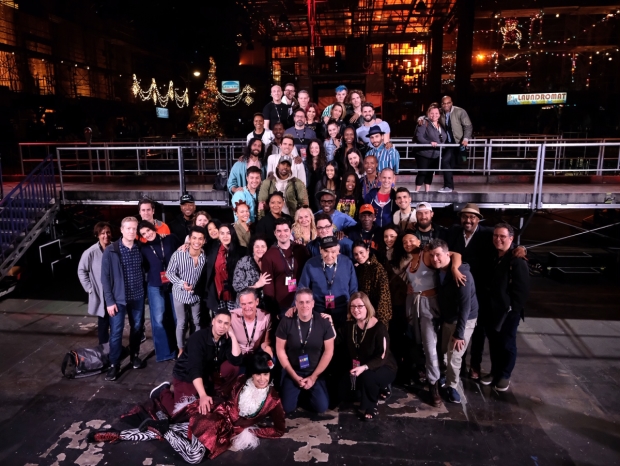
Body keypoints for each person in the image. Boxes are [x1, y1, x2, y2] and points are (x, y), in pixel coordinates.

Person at [91, 351, 283, 463]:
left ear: (270, 375)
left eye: (265, 375)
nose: (261, 379)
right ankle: (164, 430)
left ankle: (117, 435)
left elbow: (278, 430)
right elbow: (223, 394)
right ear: (252, 374)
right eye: (258, 374)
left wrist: (251, 431)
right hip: (212, 419)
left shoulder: (274, 400)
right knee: (193, 457)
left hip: (225, 431)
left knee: (172, 431)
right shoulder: (241, 381)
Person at [481, 223, 530, 392]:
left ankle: (505, 375)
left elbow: (522, 290)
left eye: (502, 236)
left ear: (511, 238)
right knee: (494, 343)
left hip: (508, 313)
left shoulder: (517, 261)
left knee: (507, 343)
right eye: (496, 236)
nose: (498, 239)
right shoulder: (493, 255)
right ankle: (495, 371)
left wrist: (513, 310)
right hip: (491, 309)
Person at [428, 239, 478, 403]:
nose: (435, 259)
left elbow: (465, 306)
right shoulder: (439, 270)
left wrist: (460, 333)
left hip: (464, 319)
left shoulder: (462, 274)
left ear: (447, 254)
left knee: (454, 355)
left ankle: (452, 386)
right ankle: (444, 377)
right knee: (443, 351)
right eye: (432, 255)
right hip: (448, 318)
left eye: (438, 255)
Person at [275, 288, 335, 413]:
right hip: (293, 371)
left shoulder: (323, 322)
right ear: (295, 304)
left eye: (308, 302)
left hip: (315, 371)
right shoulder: (286, 321)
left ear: (313, 303)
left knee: (321, 407)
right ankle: (299, 390)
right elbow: (280, 351)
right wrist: (294, 375)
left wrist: (313, 377)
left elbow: (328, 352)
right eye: (301, 302)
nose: (304, 305)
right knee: (287, 408)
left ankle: (306, 392)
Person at [101, 217, 146, 381]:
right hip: (118, 299)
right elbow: (105, 278)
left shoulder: (139, 248)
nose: (132, 231)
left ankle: (134, 356)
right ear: (121, 230)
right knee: (116, 333)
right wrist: (110, 301)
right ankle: (114, 364)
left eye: (134, 229)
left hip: (137, 296)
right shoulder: (111, 250)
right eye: (128, 228)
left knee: (137, 329)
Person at [342, 292, 397, 420]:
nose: (356, 310)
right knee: (344, 392)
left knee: (368, 377)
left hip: (383, 366)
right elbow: (338, 339)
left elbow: (382, 357)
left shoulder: (379, 328)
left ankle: (371, 404)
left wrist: (364, 367)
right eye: (353, 306)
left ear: (367, 307)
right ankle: (373, 389)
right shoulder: (351, 325)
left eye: (360, 306)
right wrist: (330, 324)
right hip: (360, 365)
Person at [139, 221, 179, 362]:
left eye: (148, 231)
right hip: (155, 285)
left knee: (177, 318)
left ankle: (178, 350)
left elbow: (182, 250)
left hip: (174, 282)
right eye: (143, 234)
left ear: (154, 228)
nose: (147, 235)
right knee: (159, 319)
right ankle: (164, 353)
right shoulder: (143, 248)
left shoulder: (170, 239)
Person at [299, 236, 358, 327]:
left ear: (338, 251)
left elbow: (353, 289)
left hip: (343, 310)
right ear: (320, 250)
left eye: (333, 252)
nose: (329, 256)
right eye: (326, 251)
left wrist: (353, 309)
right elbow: (302, 288)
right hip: (318, 311)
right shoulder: (310, 264)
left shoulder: (347, 263)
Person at [166, 226, 207, 355]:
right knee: (182, 322)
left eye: (200, 239)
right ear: (189, 239)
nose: (197, 241)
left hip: (196, 295)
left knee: (197, 321)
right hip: (179, 293)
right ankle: (181, 348)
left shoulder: (204, 256)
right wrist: (181, 283)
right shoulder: (179, 254)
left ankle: (196, 345)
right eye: (194, 238)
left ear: (204, 241)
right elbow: (169, 273)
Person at [261, 217, 310, 318]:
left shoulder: (301, 250)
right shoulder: (269, 256)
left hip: (303, 303)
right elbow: (268, 285)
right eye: (279, 231)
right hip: (281, 307)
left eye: (286, 230)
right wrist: (273, 311)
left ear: (291, 231)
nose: (282, 234)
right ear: (274, 233)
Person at [78, 221, 112, 345]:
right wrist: (89, 288)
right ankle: (103, 349)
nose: (106, 235)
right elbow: (81, 271)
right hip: (101, 295)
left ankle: (114, 349)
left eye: (108, 232)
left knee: (116, 324)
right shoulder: (90, 252)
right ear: (97, 235)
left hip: (114, 293)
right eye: (102, 233)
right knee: (103, 323)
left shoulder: (115, 248)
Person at [352, 241, 392, 327]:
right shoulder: (359, 268)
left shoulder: (377, 268)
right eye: (356, 254)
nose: (359, 256)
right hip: (363, 314)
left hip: (377, 315)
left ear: (368, 250)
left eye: (361, 252)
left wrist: (381, 321)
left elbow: (384, 297)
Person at [230, 288, 273, 358]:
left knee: (270, 363)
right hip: (236, 354)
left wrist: (267, 349)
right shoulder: (232, 316)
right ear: (240, 304)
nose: (247, 307)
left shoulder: (266, 317)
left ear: (257, 301)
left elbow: (265, 341)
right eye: (243, 304)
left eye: (250, 303)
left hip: (255, 354)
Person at [415, 104, 446, 193]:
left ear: (439, 114)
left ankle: (427, 192)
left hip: (435, 154)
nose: (434, 115)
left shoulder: (442, 125)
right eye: (431, 113)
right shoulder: (424, 122)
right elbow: (419, 137)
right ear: (428, 113)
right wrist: (429, 143)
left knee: (430, 174)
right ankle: (416, 192)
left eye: (436, 113)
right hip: (423, 153)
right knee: (422, 173)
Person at [232, 235, 271, 300]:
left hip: (264, 303)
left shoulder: (269, 262)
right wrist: (256, 285)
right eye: (257, 247)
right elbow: (236, 286)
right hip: (246, 303)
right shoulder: (244, 262)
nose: (260, 249)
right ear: (252, 248)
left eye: (263, 246)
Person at [440, 95, 473, 173]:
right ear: (441, 104)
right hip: (446, 143)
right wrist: (420, 118)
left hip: (457, 142)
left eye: (448, 103)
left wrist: (466, 139)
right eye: (444, 103)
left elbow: (468, 126)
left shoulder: (460, 111)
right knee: (448, 164)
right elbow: (429, 116)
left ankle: (448, 184)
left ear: (452, 103)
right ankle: (448, 185)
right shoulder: (440, 112)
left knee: (446, 161)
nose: (446, 105)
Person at [305, 139, 327, 210]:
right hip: (308, 195)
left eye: (316, 147)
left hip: (320, 196)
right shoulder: (305, 163)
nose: (314, 150)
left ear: (320, 148)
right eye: (312, 147)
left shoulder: (325, 163)